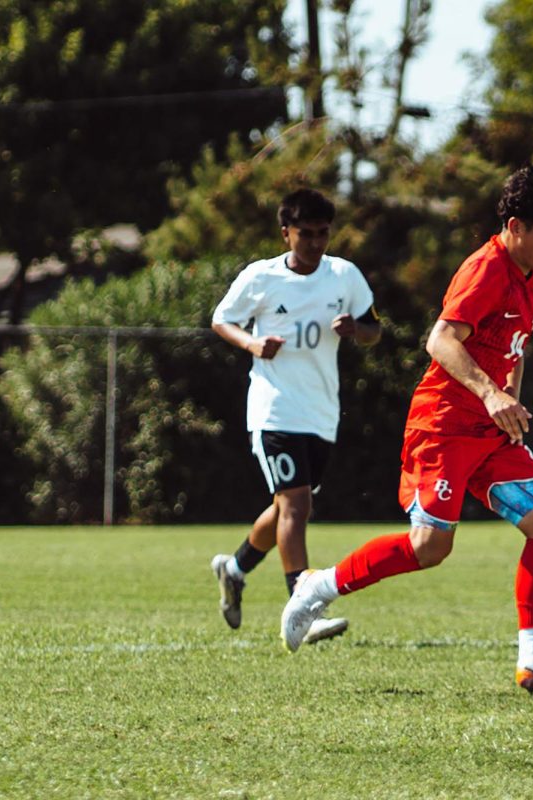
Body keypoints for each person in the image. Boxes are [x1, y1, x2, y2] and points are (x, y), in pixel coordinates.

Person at [279, 165, 533, 692]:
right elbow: (441, 341)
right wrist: (490, 394)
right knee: (430, 548)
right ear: (515, 226)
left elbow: (513, 347)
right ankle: (318, 585)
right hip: (443, 425)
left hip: (491, 431)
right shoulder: (486, 269)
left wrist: (507, 399)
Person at [209, 187, 381, 643]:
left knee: (288, 506)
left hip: (322, 412)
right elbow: (221, 319)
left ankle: (235, 566)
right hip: (274, 408)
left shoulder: (344, 275)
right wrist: (251, 344)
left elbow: (374, 329)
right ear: (285, 233)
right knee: (298, 506)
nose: (315, 242)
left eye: (323, 233)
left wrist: (355, 330)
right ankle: (301, 604)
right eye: (305, 233)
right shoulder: (261, 278)